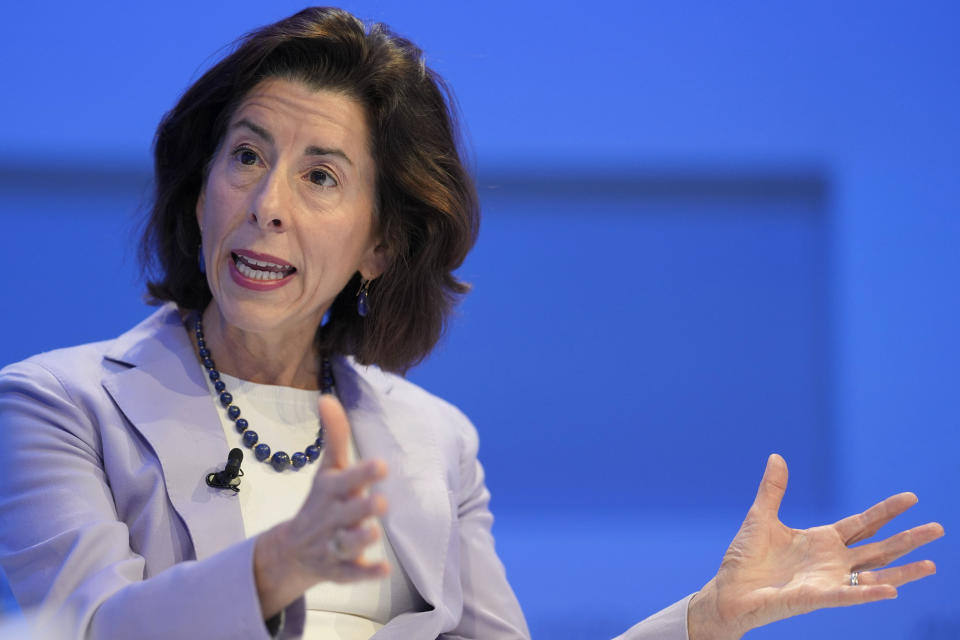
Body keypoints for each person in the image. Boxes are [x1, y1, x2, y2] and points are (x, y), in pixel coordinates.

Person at [0, 7, 943, 640]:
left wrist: (701, 619)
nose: (267, 204)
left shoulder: (431, 441)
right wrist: (281, 561)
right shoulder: (57, 407)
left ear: (378, 246)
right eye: (245, 156)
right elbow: (90, 630)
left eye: (321, 175)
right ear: (200, 189)